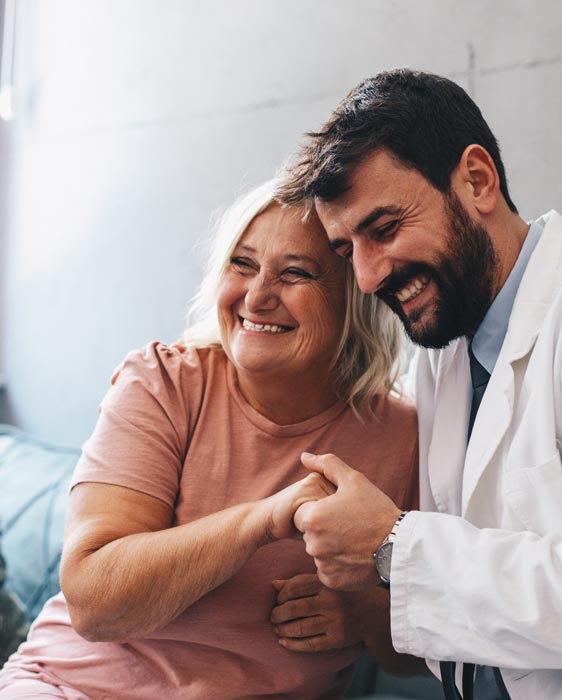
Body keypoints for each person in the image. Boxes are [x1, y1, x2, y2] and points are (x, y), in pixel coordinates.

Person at [277, 68, 562, 699]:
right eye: (347, 252)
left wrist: (393, 545)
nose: (366, 278)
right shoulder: (445, 350)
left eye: (385, 229)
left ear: (477, 181)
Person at [0, 179, 421, 700]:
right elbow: (93, 601)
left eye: (295, 273)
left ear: (354, 300)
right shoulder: (162, 383)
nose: (257, 296)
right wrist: (264, 519)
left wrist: (367, 614)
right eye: (242, 265)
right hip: (69, 687)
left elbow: (427, 654)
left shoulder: (405, 437)